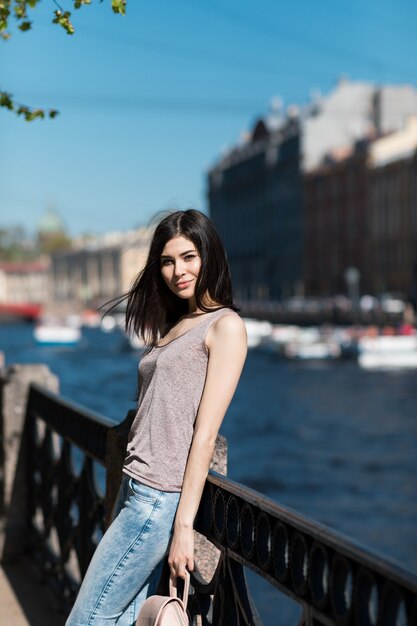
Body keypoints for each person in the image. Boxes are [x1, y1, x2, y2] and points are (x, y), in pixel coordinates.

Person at [66, 209, 247, 626]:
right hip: (133, 486)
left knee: (87, 618)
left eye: (188, 257)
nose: (178, 270)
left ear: (209, 256)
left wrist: (183, 527)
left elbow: (205, 436)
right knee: (121, 618)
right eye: (167, 261)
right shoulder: (178, 324)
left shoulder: (226, 327)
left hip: (156, 497)